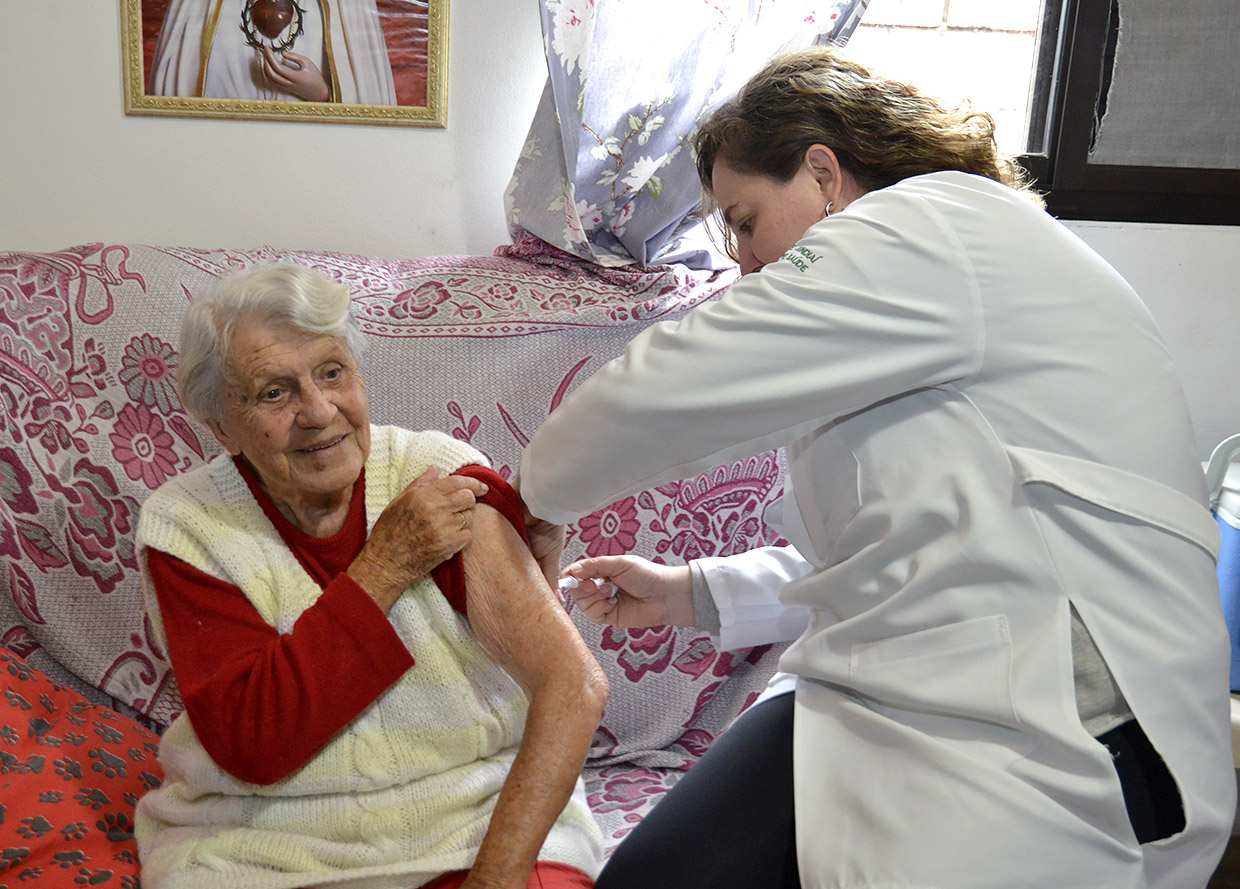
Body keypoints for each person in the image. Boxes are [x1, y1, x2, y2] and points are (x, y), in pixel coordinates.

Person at [517, 46, 1235, 889]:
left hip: (1064, 734)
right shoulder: (923, 289)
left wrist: (536, 497)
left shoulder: (929, 227)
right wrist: (694, 592)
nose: (741, 259)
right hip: (922, 685)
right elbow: (915, 544)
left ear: (823, 174)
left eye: (745, 220)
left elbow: (673, 382)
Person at [133, 263, 607, 889]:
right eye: (274, 393)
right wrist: (384, 567)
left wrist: (496, 879)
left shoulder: (439, 478)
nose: (318, 410)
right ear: (222, 425)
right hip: (264, 845)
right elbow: (254, 743)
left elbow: (572, 683)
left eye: (332, 373)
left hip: (476, 824)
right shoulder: (188, 526)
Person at [147, 0, 398, 103]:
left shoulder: (347, 5)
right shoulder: (200, 5)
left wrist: (322, 95)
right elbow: (172, 96)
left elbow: (370, 105)